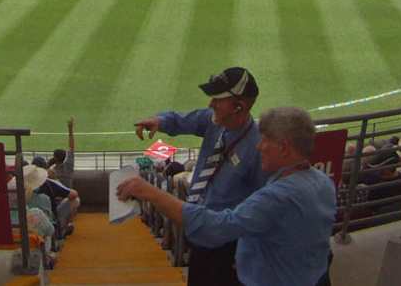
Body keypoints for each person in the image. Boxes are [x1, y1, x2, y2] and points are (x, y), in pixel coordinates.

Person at [118, 106, 335, 286]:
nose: (259, 146)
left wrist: (151, 193)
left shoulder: (278, 197)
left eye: (266, 140)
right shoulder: (323, 182)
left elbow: (218, 227)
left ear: (284, 148)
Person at [131, 67, 265, 286]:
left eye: (218, 99)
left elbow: (261, 210)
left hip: (228, 248)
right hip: (200, 239)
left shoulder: (259, 148)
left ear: (239, 106)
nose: (211, 104)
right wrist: (159, 121)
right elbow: (184, 119)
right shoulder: (213, 123)